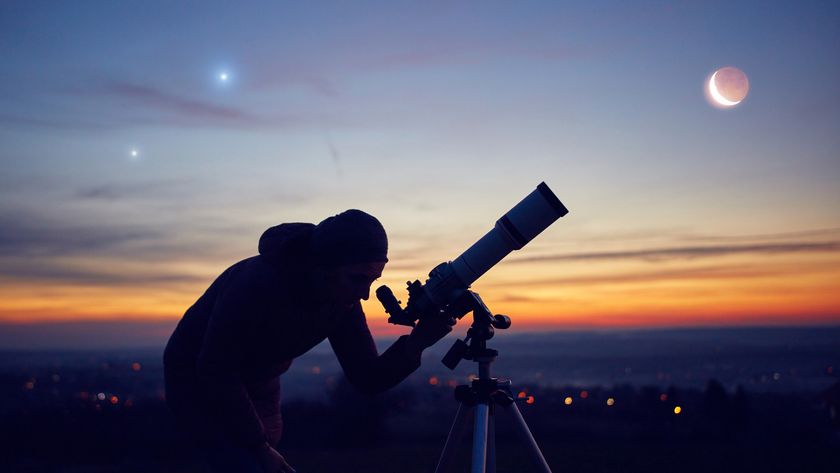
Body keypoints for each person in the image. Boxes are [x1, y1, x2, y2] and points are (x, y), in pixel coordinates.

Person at [163, 210, 453, 473]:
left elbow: (366, 376)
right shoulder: (256, 286)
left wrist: (417, 343)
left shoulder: (342, 298)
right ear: (324, 269)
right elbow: (216, 370)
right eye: (358, 279)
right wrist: (258, 446)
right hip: (196, 379)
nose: (365, 294)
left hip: (260, 379)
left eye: (372, 280)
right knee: (243, 462)